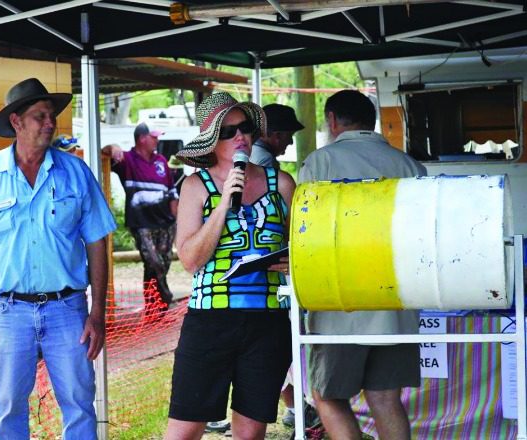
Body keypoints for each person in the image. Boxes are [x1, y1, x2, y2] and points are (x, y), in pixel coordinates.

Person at [0, 78, 116, 439]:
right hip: (8, 314)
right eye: (40, 116)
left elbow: (97, 243)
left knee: (80, 404)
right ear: (16, 122)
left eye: (51, 115)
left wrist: (97, 312)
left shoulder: (76, 172)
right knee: (8, 410)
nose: (50, 123)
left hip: (67, 310)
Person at [165, 92, 295, 440]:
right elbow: (190, 259)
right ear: (212, 140)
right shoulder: (195, 187)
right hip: (210, 319)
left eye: (246, 127)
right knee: (184, 430)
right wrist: (223, 206)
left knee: (251, 433)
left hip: (268, 320)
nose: (241, 137)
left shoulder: (281, 183)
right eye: (229, 131)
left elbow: (302, 249)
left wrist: (291, 260)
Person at [298, 90, 426, 440]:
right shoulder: (410, 165)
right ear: (371, 120)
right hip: (397, 300)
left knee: (327, 396)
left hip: (341, 303)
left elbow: (306, 233)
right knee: (386, 398)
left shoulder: (320, 163)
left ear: (333, 120)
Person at [250, 103, 305, 428]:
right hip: (268, 272)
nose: (287, 143)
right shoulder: (267, 165)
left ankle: (293, 406)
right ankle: (295, 406)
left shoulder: (261, 161)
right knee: (277, 347)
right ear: (272, 134)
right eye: (286, 135)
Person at [102, 123, 178, 311]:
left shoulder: (161, 161)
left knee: (161, 264)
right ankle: (165, 296)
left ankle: (155, 308)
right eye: (154, 137)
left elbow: (172, 193)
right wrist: (113, 147)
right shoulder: (126, 159)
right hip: (142, 223)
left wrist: (178, 220)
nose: (158, 140)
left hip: (166, 222)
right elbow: (103, 153)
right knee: (154, 262)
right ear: (142, 138)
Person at [250, 103, 305, 169]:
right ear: (278, 135)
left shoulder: (247, 151)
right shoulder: (267, 160)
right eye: (290, 135)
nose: (291, 142)